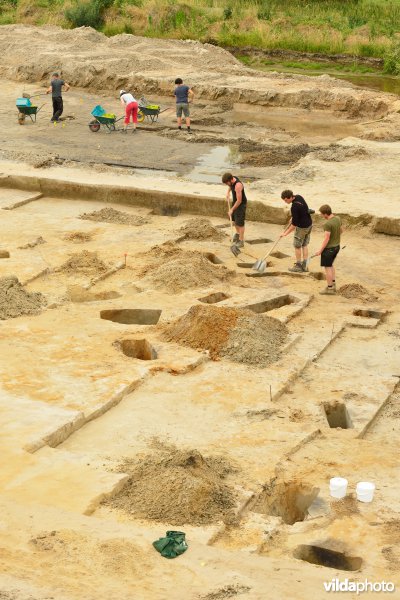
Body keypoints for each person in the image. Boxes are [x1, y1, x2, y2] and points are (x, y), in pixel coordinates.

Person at [280, 190, 313, 272]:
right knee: (304, 245)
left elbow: (294, 225)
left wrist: (285, 233)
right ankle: (305, 266)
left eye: (286, 200)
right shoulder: (299, 197)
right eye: (284, 200)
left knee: (297, 246)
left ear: (291, 197)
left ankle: (298, 266)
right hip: (309, 224)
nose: (285, 202)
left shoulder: (294, 207)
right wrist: (294, 217)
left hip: (301, 227)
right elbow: (304, 210)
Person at [314, 204, 342, 295]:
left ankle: (330, 288)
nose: (322, 216)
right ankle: (333, 284)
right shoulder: (338, 218)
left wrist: (320, 251)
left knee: (327, 268)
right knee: (331, 265)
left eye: (322, 214)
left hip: (329, 249)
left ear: (326, 214)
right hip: (337, 246)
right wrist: (336, 237)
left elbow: (326, 239)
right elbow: (341, 230)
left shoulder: (328, 224)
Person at [222, 173, 247, 247]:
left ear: (231, 180)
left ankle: (241, 241)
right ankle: (237, 234)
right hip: (235, 202)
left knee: (240, 223)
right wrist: (228, 193)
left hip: (241, 204)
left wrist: (232, 209)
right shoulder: (232, 179)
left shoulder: (238, 185)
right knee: (234, 220)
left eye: (227, 183)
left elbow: (239, 200)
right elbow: (230, 186)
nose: (227, 185)